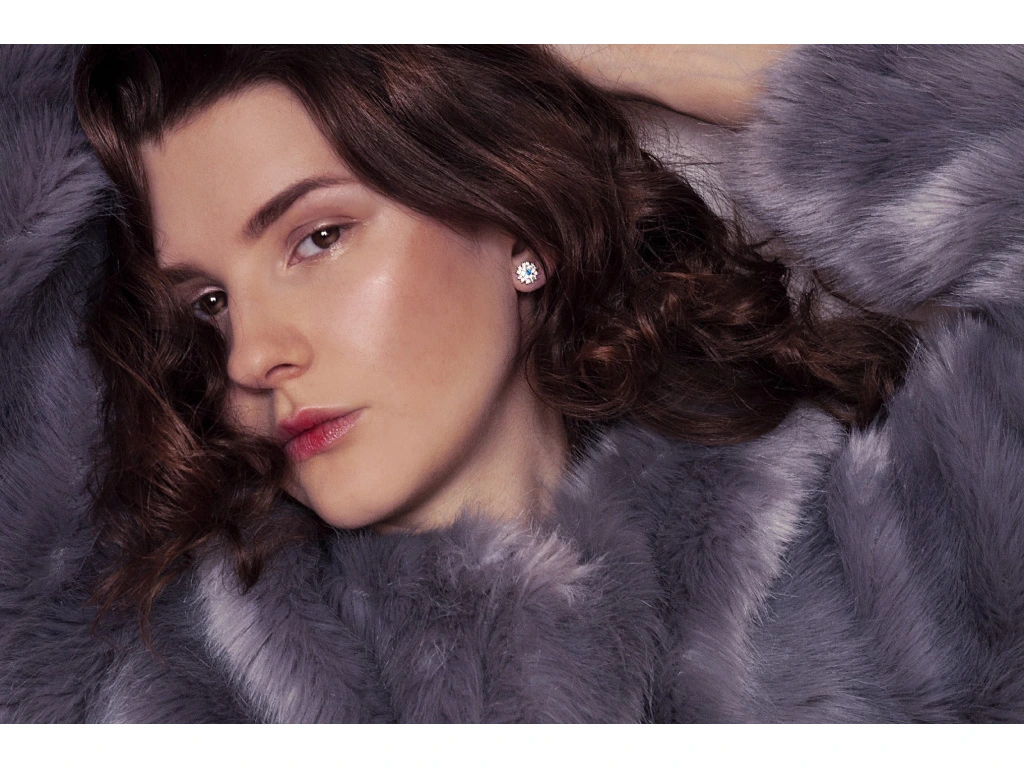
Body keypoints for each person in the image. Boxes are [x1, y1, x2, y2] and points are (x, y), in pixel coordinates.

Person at [2, 44, 1024, 723]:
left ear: (519, 223)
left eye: (317, 238)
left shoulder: (881, 573)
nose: (250, 354)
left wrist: (733, 63)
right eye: (209, 301)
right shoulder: (163, 676)